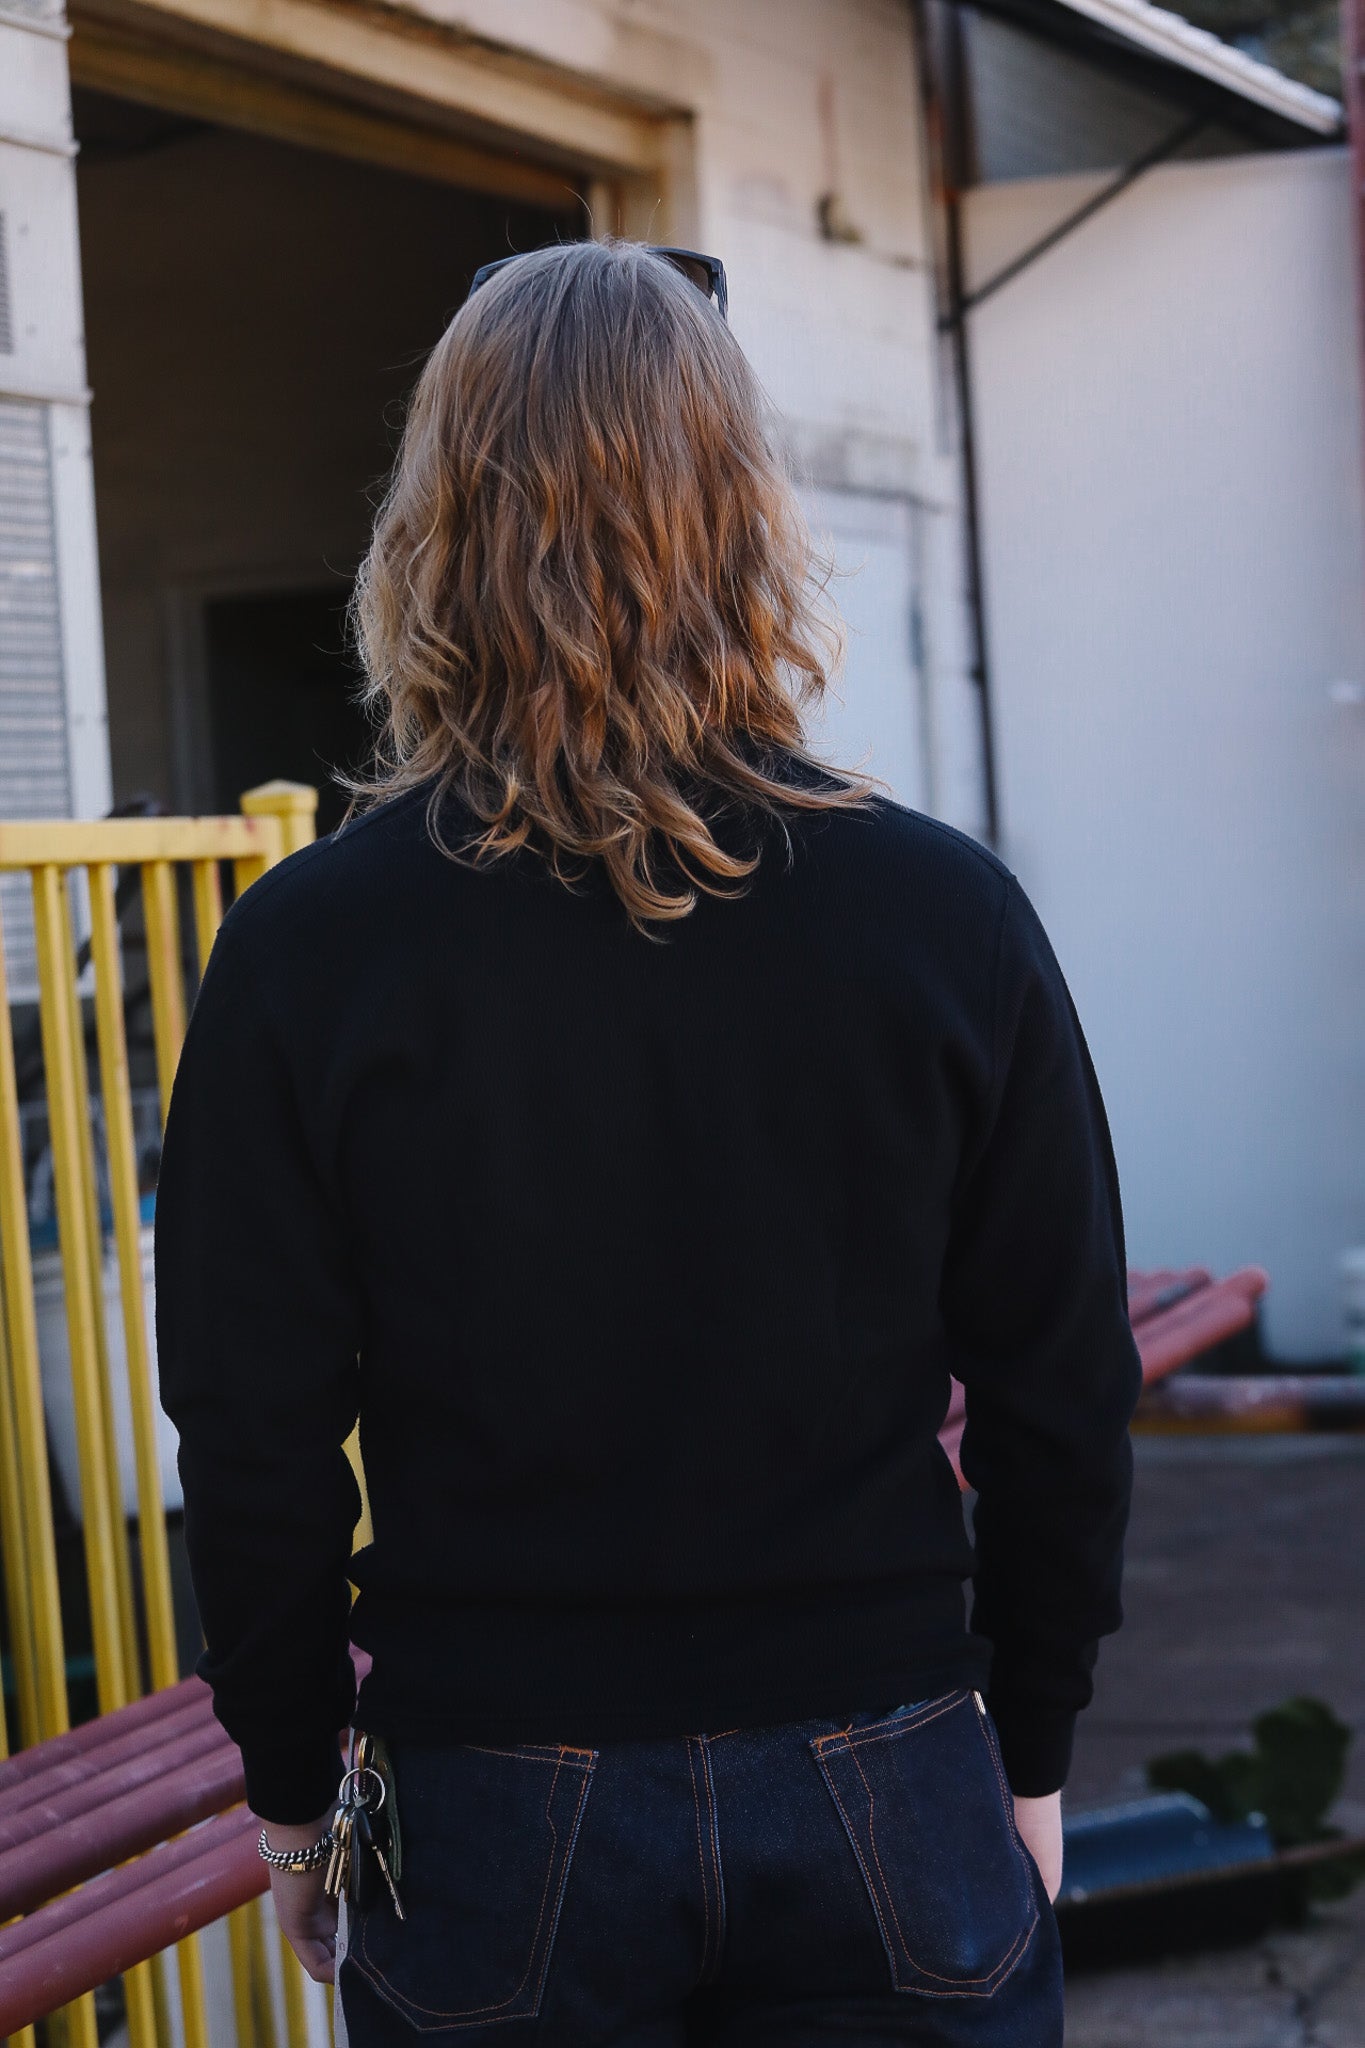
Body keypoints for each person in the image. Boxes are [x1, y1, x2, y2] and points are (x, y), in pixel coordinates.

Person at [155, 238, 1144, 2047]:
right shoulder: (942, 916)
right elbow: (1063, 1385)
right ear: (743, 516)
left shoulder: (308, 946)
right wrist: (1035, 1741)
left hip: (487, 1797)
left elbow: (250, 1430)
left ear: (433, 524)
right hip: (889, 1765)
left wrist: (292, 1787)